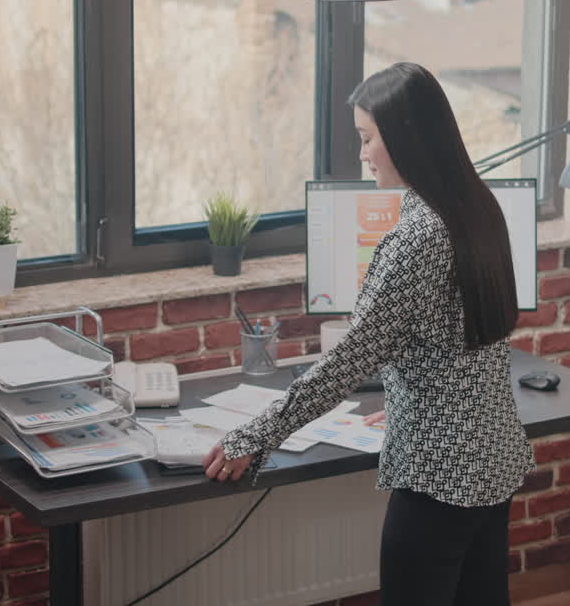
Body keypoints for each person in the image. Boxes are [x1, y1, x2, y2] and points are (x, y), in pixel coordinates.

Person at [202, 62, 535, 606]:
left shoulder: (417, 236)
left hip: (439, 476)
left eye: (367, 138)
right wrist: (411, 401)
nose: (361, 155)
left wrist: (251, 438)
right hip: (491, 461)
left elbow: (346, 363)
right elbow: (471, 343)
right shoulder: (477, 206)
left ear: (405, 137)